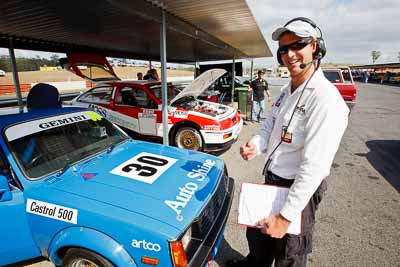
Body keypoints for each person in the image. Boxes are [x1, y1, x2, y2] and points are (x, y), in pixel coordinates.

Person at [226, 17, 349, 267]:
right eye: (283, 49)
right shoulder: (286, 89)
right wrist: (257, 145)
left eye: (297, 45)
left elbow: (315, 167)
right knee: (259, 240)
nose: (289, 54)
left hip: (297, 190)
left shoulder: (326, 100)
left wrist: (285, 216)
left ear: (314, 47)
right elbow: (270, 127)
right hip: (272, 181)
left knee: (288, 254)